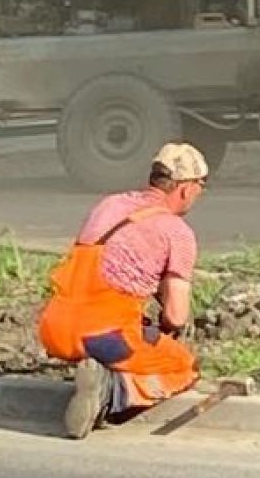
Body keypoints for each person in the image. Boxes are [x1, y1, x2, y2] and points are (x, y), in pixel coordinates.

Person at [37, 143, 210, 439]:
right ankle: (110, 390)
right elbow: (176, 316)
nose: (200, 193)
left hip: (55, 328)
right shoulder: (177, 233)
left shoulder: (109, 205)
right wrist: (166, 331)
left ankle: (98, 371)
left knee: (125, 332)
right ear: (185, 188)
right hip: (104, 336)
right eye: (201, 186)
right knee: (184, 366)